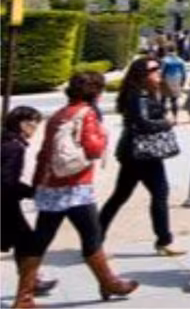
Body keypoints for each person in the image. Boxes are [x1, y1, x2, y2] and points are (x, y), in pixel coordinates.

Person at [26, 72, 139, 307]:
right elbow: (94, 149)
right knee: (92, 236)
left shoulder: (59, 115)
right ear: (96, 92)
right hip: (76, 187)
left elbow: (44, 153)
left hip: (52, 187)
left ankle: (23, 296)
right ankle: (109, 283)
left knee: (42, 239)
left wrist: (37, 184)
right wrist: (103, 136)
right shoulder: (86, 114)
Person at [98, 56, 184, 256]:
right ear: (142, 75)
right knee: (159, 193)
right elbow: (142, 124)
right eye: (154, 70)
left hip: (138, 153)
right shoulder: (139, 96)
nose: (158, 73)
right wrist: (166, 123)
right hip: (141, 154)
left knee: (121, 196)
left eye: (158, 69)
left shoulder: (147, 93)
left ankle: (95, 238)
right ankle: (164, 240)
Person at [2, 106, 58, 302]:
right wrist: (31, 192)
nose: (36, 128)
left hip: (7, 203)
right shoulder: (14, 147)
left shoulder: (8, 141)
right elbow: (6, 181)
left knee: (24, 241)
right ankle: (30, 284)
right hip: (5, 203)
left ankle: (32, 281)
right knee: (26, 241)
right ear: (23, 124)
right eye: (34, 123)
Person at [160, 44, 187, 120]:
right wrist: (182, 83)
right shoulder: (180, 60)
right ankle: (175, 118)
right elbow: (184, 73)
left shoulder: (165, 60)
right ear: (176, 51)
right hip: (177, 79)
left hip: (167, 79)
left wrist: (161, 81)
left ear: (167, 50)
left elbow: (162, 72)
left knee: (163, 99)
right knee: (174, 100)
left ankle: (163, 116)